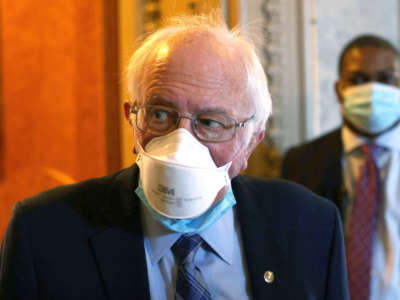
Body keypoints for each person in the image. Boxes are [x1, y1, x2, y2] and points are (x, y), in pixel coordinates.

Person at [1, 13, 349, 300]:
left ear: (251, 142)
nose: (181, 141)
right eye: (160, 114)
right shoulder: (45, 233)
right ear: (132, 120)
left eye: (211, 122)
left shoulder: (310, 226)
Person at [282, 34, 400, 300]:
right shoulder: (301, 161)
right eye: (358, 80)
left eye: (385, 80)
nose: (372, 90)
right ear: (339, 90)